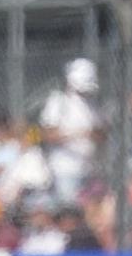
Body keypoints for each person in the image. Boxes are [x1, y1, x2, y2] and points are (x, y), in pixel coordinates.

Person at [39, 57, 102, 202]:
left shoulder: (92, 104)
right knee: (69, 207)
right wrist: (80, 134)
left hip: (90, 168)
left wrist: (93, 134)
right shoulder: (58, 102)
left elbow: (100, 132)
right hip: (66, 169)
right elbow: (48, 134)